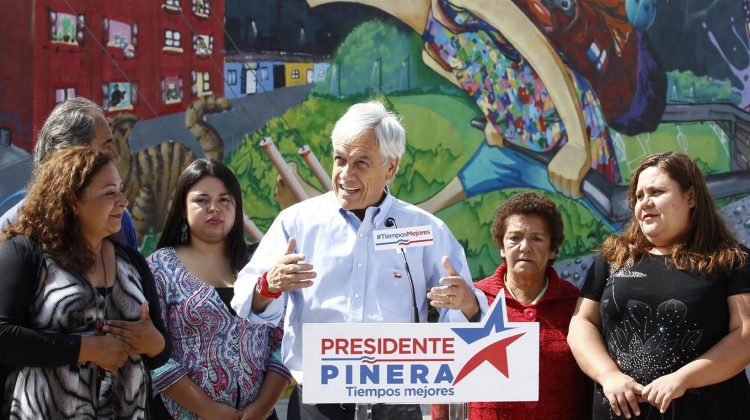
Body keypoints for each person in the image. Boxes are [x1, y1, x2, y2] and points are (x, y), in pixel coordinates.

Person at [231, 100, 489, 420]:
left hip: (395, 405)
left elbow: (472, 315)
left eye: (361, 163)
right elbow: (244, 297)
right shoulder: (297, 223)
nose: (345, 174)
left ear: (390, 167)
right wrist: (268, 285)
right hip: (317, 406)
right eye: (340, 159)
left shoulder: (425, 230)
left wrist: (468, 303)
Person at [568, 151, 750, 419]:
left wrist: (683, 379)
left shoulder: (731, 260)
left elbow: (745, 335)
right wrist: (609, 376)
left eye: (656, 192)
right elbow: (581, 324)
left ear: (691, 197)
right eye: (639, 196)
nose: (645, 203)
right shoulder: (613, 258)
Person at [0, 146, 170, 418]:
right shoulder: (25, 253)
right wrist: (86, 349)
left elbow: (160, 355)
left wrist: (154, 342)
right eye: (109, 193)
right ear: (72, 202)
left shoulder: (132, 262)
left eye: (121, 189)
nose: (123, 201)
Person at [147, 158, 291, 420]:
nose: (214, 208)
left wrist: (262, 407)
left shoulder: (260, 263)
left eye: (224, 200)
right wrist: (207, 409)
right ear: (182, 208)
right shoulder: (160, 267)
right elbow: (153, 353)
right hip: (182, 414)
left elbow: (283, 343)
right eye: (202, 200)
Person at [432, 191, 587, 419]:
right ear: (502, 247)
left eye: (537, 238)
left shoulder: (577, 305)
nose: (524, 247)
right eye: (514, 238)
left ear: (553, 249)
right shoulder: (473, 300)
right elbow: (444, 380)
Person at [0, 96, 138, 248]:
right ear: (70, 159)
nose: (116, 156)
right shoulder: (15, 231)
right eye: (106, 146)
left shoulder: (119, 218)